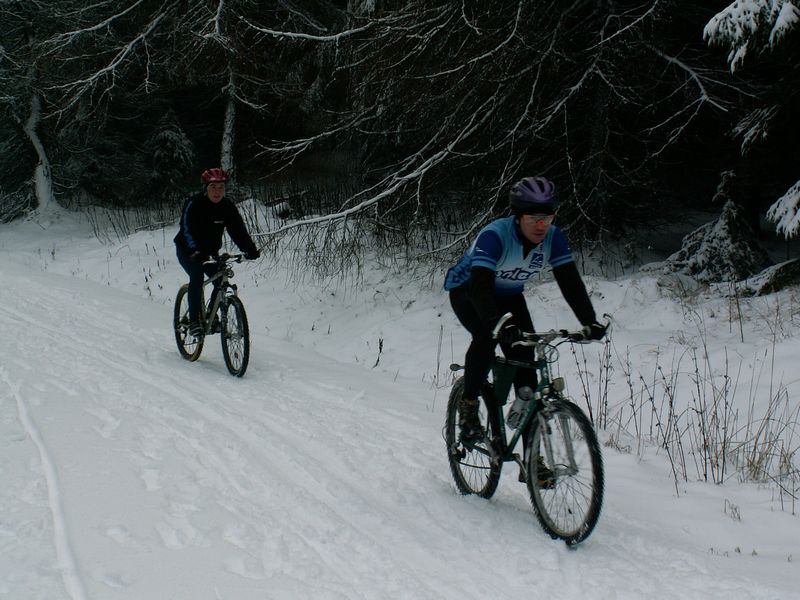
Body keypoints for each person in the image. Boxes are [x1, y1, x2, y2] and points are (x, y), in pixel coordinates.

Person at [444, 176, 606, 445]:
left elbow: (569, 280)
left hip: (509, 295)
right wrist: (498, 324)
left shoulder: (553, 238)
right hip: (468, 289)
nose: (541, 225)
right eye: (533, 218)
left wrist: (590, 321)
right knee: (486, 336)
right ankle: (469, 405)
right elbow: (480, 286)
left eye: (548, 217)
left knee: (527, 369)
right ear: (518, 216)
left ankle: (534, 458)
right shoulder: (495, 236)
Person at [174, 167, 260, 338]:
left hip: (210, 252)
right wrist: (194, 251)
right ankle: (194, 322)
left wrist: (250, 249)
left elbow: (238, 231)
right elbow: (186, 229)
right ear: (206, 188)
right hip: (187, 250)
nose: (217, 191)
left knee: (220, 279)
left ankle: (211, 318)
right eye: (213, 187)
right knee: (197, 276)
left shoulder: (227, 207)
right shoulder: (194, 203)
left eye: (221, 187)